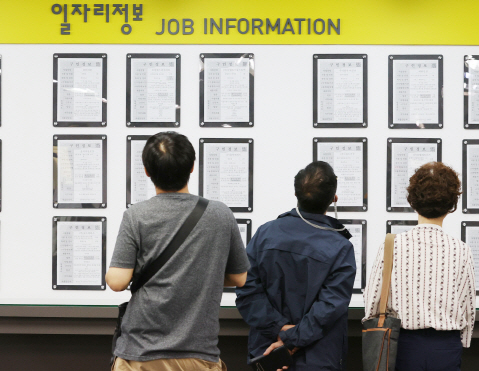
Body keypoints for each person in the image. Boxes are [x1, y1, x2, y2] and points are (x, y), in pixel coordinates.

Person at [106, 132, 250, 371]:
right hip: (199, 354)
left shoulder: (137, 215)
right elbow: (239, 277)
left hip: (141, 354)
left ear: (147, 171)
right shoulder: (220, 213)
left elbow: (117, 281)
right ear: (192, 167)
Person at [236, 161, 356, 371]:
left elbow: (247, 291)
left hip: (268, 355)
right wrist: (290, 339)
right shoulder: (341, 247)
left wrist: (281, 330)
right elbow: (329, 308)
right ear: (333, 199)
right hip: (318, 360)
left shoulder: (265, 234)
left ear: (296, 194)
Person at [363, 162, 476, 371]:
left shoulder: (391, 245)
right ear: (452, 204)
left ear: (413, 201)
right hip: (446, 347)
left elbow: (373, 301)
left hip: (400, 344)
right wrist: (462, 342)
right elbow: (468, 306)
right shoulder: (461, 249)